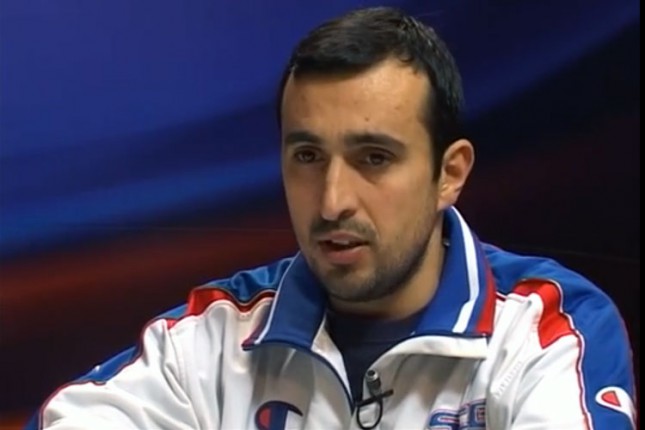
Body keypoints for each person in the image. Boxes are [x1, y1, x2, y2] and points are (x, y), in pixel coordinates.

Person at [28, 6, 636, 430]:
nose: (332, 201)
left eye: (374, 158)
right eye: (308, 157)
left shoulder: (546, 330)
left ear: (449, 173)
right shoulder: (209, 340)